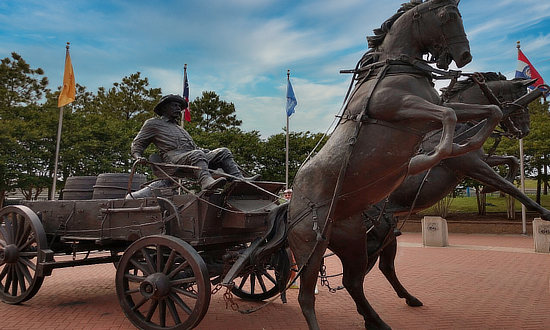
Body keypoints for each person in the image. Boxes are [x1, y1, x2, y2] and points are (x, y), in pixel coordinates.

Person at [131, 94, 250, 191]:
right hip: (173, 159)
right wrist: (138, 156)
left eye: (179, 106)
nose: (178, 109)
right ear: (164, 108)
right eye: (174, 105)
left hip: (190, 155)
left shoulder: (180, 128)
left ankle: (239, 180)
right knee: (197, 154)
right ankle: (206, 182)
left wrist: (206, 151)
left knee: (223, 152)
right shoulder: (153, 123)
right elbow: (138, 143)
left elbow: (193, 148)